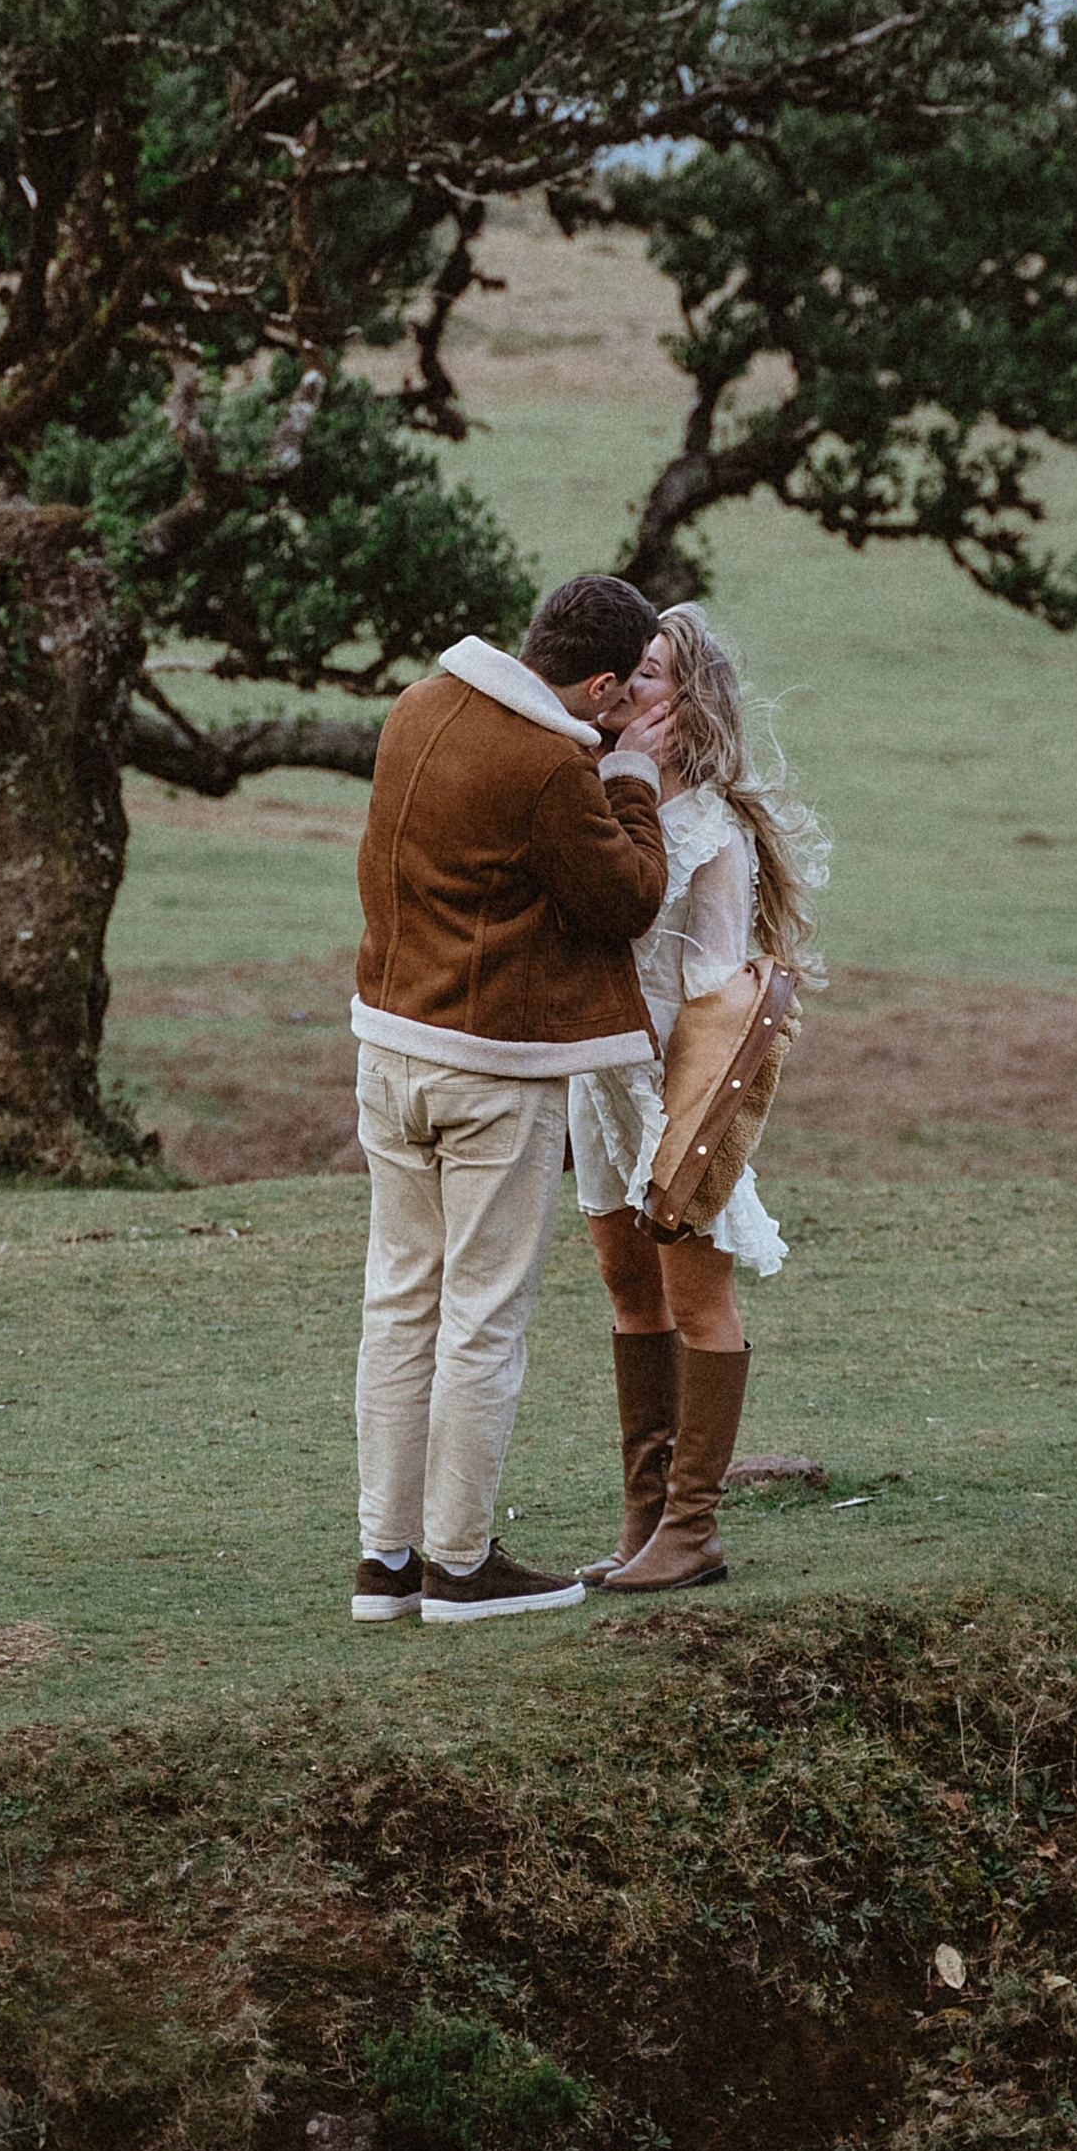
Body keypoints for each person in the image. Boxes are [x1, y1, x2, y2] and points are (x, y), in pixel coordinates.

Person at [348, 574, 671, 1626]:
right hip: (486, 1066)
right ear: (603, 680)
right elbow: (625, 897)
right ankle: (459, 1561)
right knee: (483, 1317)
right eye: (622, 698)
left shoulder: (417, 703)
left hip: (385, 1044)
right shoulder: (550, 764)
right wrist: (629, 772)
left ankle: (386, 1561)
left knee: (399, 1304)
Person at [571, 602, 829, 1594]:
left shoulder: (710, 830)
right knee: (625, 1284)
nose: (629, 685)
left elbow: (720, 991)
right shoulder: (601, 792)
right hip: (595, 1079)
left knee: (693, 1289)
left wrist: (690, 1126)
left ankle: (692, 1529)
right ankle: (643, 1519)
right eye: (623, 669)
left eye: (650, 671)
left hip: (672, 1085)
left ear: (687, 697)